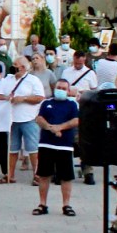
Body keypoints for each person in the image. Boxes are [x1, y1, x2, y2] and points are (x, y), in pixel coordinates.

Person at [31, 78, 79, 218]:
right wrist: (51, 128)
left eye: (64, 88)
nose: (61, 90)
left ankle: (66, 204)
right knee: (44, 175)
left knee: (66, 176)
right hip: (46, 144)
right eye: (59, 87)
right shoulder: (46, 103)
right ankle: (43, 204)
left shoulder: (72, 105)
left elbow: (75, 121)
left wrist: (60, 127)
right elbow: (39, 119)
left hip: (65, 146)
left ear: (68, 91)